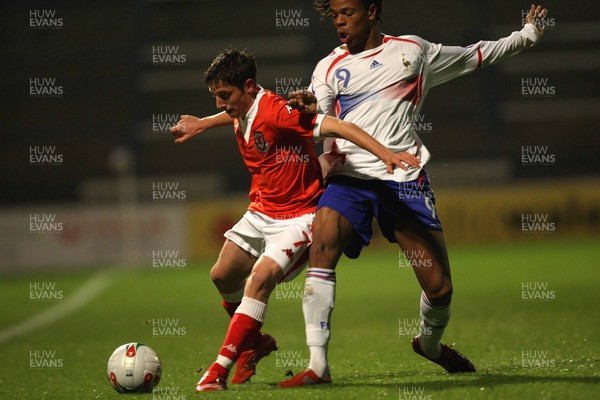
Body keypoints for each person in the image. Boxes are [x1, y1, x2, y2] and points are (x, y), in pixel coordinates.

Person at [277, 1, 550, 387]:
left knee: (440, 289)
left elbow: (477, 54)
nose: (339, 20)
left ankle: (430, 345)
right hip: (350, 176)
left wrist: (527, 35)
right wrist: (308, 108)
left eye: (347, 12)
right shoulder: (328, 67)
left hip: (403, 178)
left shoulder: (412, 52)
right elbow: (321, 118)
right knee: (322, 246)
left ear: (372, 11)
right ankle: (318, 365)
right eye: (334, 14)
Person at [170, 47, 421, 392]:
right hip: (261, 211)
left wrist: (386, 153)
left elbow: (341, 126)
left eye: (224, 96)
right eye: (215, 97)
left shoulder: (277, 112)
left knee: (259, 279)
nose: (220, 104)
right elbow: (232, 115)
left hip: (299, 218)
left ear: (248, 86)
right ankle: (255, 342)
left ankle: (218, 371)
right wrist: (202, 123)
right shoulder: (240, 106)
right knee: (222, 275)